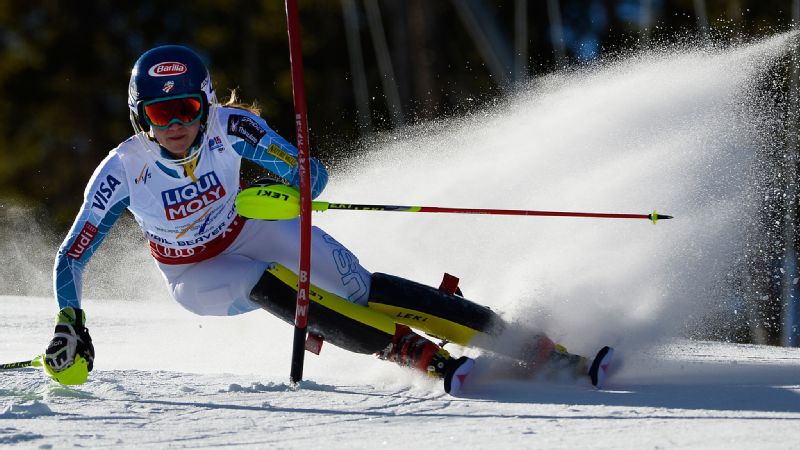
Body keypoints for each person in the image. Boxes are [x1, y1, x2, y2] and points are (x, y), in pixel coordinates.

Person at [45, 45, 613, 394]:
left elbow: (309, 173)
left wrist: (297, 185)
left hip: (247, 227)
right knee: (267, 282)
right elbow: (73, 252)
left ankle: (537, 349)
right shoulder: (123, 168)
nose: (174, 124)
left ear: (207, 102)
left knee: (359, 286)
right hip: (196, 273)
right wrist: (70, 320)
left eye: (186, 108)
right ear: (139, 115)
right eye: (159, 112)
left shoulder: (232, 126)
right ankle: (413, 353)